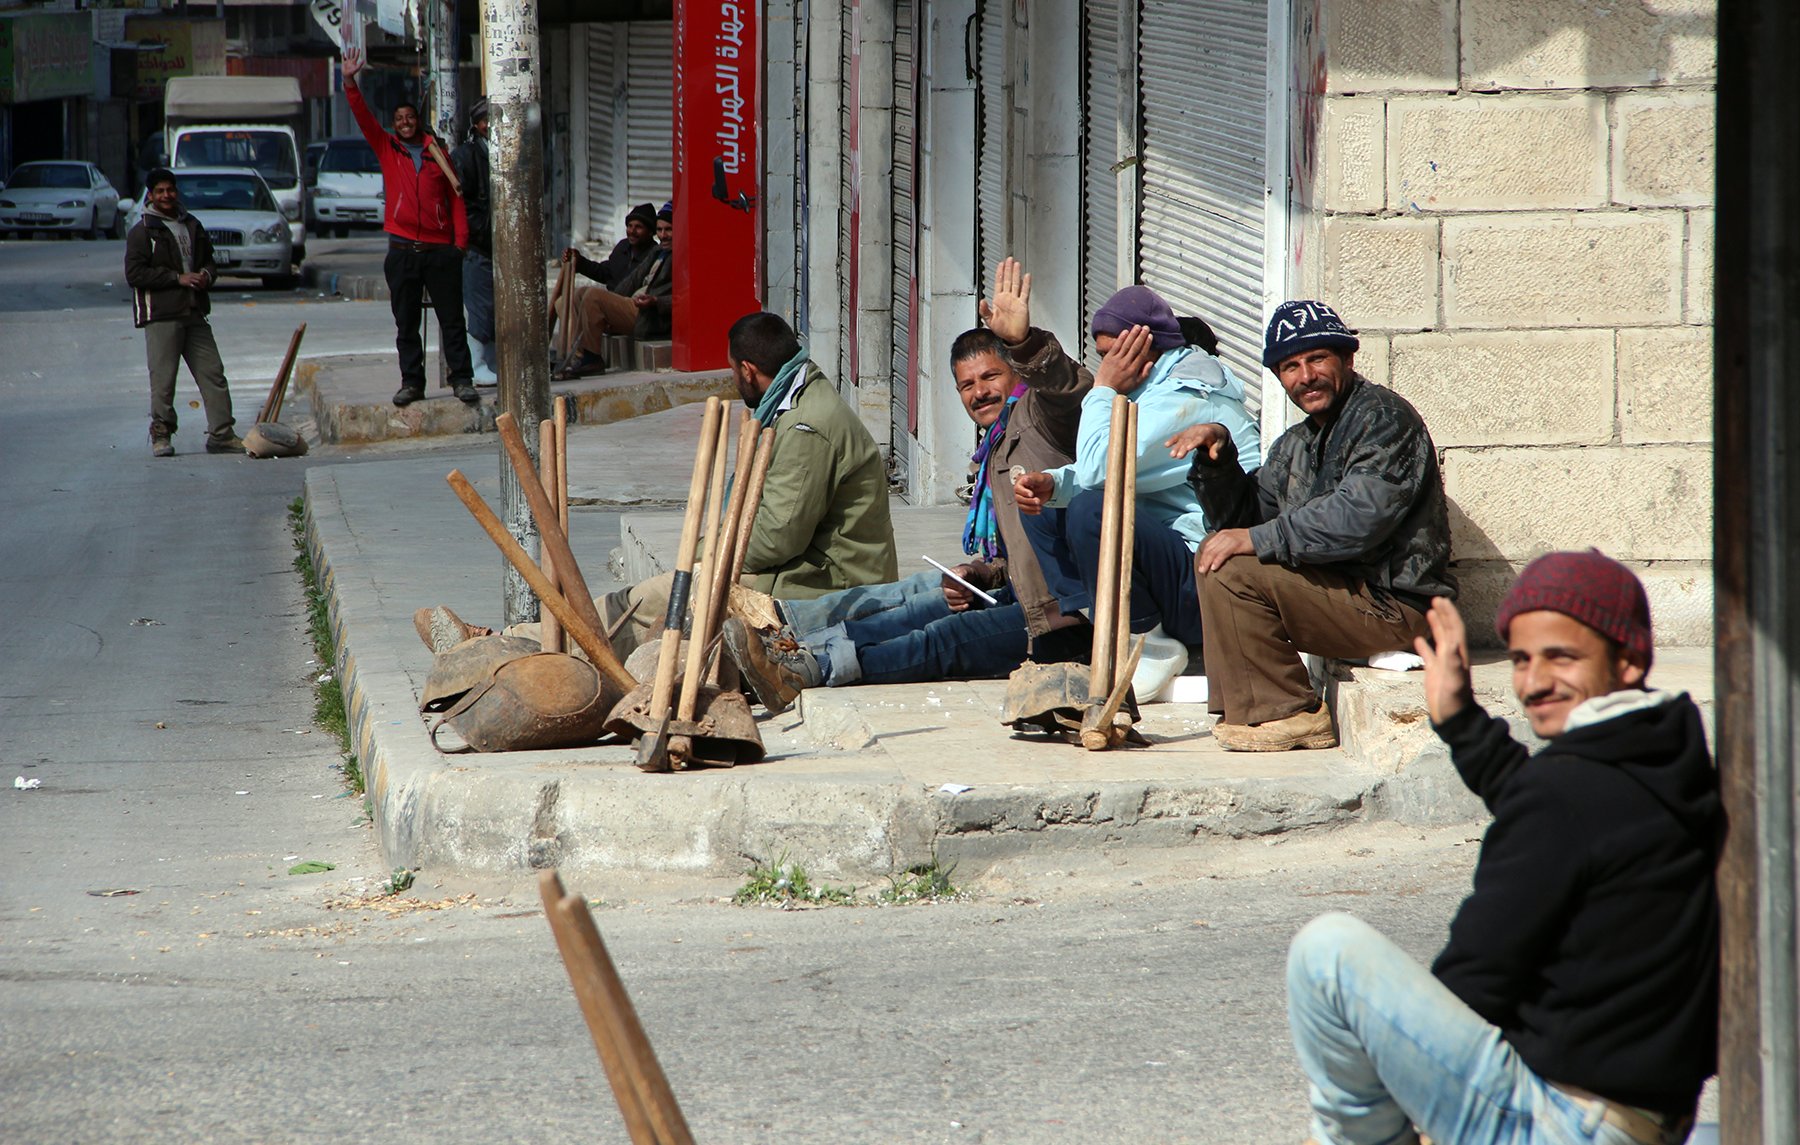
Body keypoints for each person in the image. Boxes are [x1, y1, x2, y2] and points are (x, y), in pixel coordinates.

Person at [1286, 551, 1719, 1145]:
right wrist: (1462, 720)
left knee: (1326, 953)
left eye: (1561, 657)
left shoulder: (1565, 795)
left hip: (1562, 1124)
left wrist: (1414, 1081)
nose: (1535, 681)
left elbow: (1474, 983)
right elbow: (1554, 807)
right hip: (1655, 1121)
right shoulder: (1670, 763)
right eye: (1521, 660)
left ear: (1627, 659)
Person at [720, 259, 1093, 712]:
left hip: (1060, 622)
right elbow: (1022, 556)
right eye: (966, 385)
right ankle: (788, 652)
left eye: (991, 377)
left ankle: (810, 671)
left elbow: (1073, 391)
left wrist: (1023, 341)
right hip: (1018, 594)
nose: (980, 393)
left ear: (1014, 372)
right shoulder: (998, 441)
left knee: (936, 639)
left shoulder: (1043, 417)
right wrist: (980, 573)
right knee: (918, 602)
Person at [1174, 299, 1454, 751]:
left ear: (1347, 358)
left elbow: (1358, 518)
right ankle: (1254, 712)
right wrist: (1218, 460)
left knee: (1234, 566)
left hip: (1399, 607)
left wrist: (1255, 538)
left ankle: (1289, 712)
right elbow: (1243, 519)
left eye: (1317, 358)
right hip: (1347, 597)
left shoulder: (1383, 418)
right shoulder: (1297, 443)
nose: (1306, 376)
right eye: (1290, 366)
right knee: (1217, 551)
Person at [591, 311, 896, 660]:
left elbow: (778, 536)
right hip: (807, 567)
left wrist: (707, 552)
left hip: (829, 582)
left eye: (733, 370)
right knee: (655, 596)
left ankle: (553, 644)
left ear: (748, 370)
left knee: (664, 597)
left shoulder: (805, 425)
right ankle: (545, 636)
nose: (733, 378)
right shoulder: (796, 400)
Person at [1011, 284, 1261, 699]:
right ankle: (1102, 630)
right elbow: (1105, 467)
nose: (1107, 364)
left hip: (1210, 584)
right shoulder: (1152, 390)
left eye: (1115, 353)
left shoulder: (1189, 400)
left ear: (1148, 347)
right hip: (1173, 570)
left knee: (1091, 508)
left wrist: (1103, 388)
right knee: (1041, 502)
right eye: (1103, 356)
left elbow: (1098, 472)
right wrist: (1052, 483)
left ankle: (1151, 647)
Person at [342, 47, 475, 408]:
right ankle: (411, 383)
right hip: (402, 252)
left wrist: (459, 244)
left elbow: (455, 199)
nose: (404, 122)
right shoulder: (388, 149)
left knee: (451, 321)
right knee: (406, 325)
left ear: (417, 120)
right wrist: (350, 81)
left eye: (409, 117)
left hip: (440, 252)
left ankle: (462, 380)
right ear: (394, 123)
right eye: (398, 118)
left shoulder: (438, 154)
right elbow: (363, 116)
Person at [124, 168, 245, 457]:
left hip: (194, 312)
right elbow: (135, 274)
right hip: (162, 315)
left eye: (171, 190)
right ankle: (161, 435)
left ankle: (221, 435)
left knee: (213, 373)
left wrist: (205, 275)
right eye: (160, 191)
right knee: (163, 381)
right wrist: (177, 278)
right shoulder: (142, 231)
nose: (167, 196)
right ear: (151, 196)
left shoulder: (191, 224)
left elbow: (210, 262)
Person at [552, 204, 676, 378]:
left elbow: (686, 299)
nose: (663, 235)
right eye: (660, 230)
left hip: (649, 315)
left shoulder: (680, 255)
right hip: (633, 305)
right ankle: (576, 356)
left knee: (592, 296)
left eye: (669, 230)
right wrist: (610, 309)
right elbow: (629, 281)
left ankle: (592, 358)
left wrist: (656, 301)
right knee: (580, 294)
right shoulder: (655, 252)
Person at [450, 99, 496, 385]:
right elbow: (460, 202)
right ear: (478, 125)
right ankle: (477, 364)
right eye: (487, 120)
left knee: (496, 308)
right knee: (480, 307)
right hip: (478, 245)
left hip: (500, 245)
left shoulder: (506, 151)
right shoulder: (467, 156)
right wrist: (475, 232)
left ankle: (490, 363)